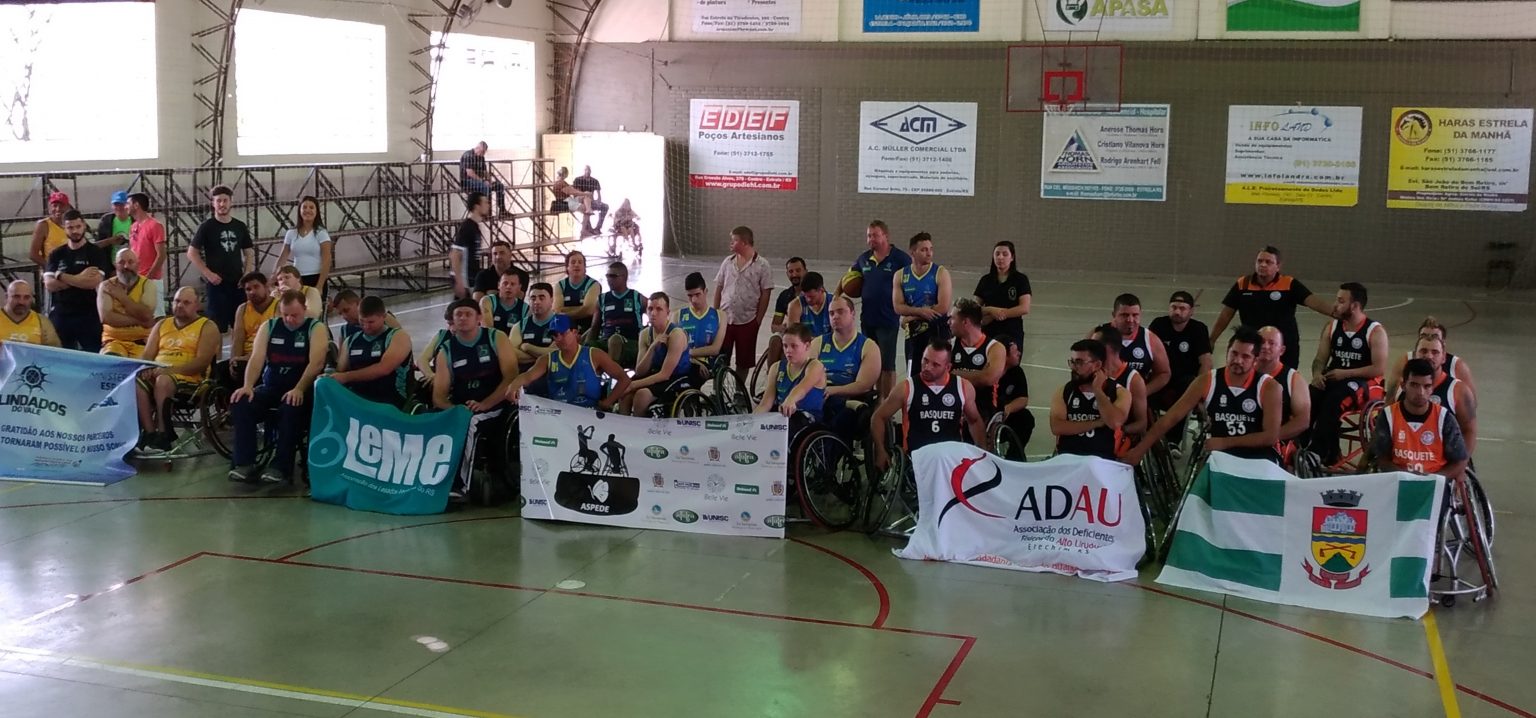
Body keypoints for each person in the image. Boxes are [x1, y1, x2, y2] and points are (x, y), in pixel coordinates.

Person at [1123, 327, 1282, 466]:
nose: (1237, 360)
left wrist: (1226, 442)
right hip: (1220, 457)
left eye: (1245, 356)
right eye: (1234, 353)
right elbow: (1171, 418)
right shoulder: (1207, 381)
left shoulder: (1269, 387)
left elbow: (1270, 436)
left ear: (1255, 360)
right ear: (1227, 351)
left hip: (1258, 457)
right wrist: (1140, 450)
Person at [230, 289, 329, 484]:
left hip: (301, 389)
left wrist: (299, 388)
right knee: (241, 401)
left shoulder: (315, 328)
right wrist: (248, 385)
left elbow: (316, 363)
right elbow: (257, 358)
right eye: (285, 315)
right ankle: (245, 463)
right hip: (272, 387)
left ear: (304, 309)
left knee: (290, 407)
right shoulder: (269, 326)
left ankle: (281, 467)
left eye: (294, 315)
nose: (289, 319)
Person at [432, 298, 519, 499]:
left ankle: (460, 485)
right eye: (458, 315)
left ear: (478, 317)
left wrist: (485, 404)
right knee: (439, 419)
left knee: (470, 423)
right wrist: (455, 410)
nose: (463, 318)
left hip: (496, 404)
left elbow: (511, 377)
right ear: (452, 320)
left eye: (468, 314)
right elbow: (438, 396)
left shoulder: (496, 338)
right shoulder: (446, 350)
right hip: (461, 407)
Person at [870, 339, 987, 473]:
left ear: (948, 367)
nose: (927, 367)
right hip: (917, 460)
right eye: (925, 360)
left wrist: (982, 453)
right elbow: (878, 417)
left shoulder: (963, 387)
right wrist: (880, 450)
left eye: (935, 365)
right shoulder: (906, 388)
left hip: (951, 459)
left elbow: (974, 421)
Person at [1208, 245, 1335, 369]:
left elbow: (1314, 302)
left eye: (1268, 262)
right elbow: (1226, 315)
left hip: (1284, 345)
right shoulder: (1243, 284)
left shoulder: (1289, 283)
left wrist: (1336, 313)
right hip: (1253, 345)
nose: (1263, 265)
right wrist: (1212, 339)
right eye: (1259, 261)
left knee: (1283, 379)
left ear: (1278, 266)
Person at [1308, 282, 1389, 466]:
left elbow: (1378, 368)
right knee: (1309, 396)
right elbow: (1320, 359)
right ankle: (1301, 445)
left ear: (1354, 306)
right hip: (1336, 378)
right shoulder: (1332, 326)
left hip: (1366, 382)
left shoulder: (1375, 331)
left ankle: (1317, 452)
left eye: (1340, 301)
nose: (1335, 305)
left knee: (1334, 400)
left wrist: (1346, 373)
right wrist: (1317, 374)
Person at [136, 288, 220, 452]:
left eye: (186, 302)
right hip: (160, 374)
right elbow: (147, 355)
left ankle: (164, 434)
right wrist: (146, 367)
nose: (180, 305)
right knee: (137, 381)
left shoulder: (207, 326)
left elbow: (202, 363)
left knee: (163, 381)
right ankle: (149, 433)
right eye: (177, 301)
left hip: (192, 379)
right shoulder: (161, 324)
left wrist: (170, 371)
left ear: (197, 305)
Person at [506, 313, 630, 411]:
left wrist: (608, 402)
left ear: (575, 332)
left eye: (563, 333)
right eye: (555, 335)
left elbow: (624, 378)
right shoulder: (547, 359)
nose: (559, 338)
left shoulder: (594, 355)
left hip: (589, 413)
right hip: (560, 416)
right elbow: (527, 376)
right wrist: (513, 386)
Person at [1373, 358, 1469, 481]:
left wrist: (1432, 480)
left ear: (1432, 388)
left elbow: (1460, 461)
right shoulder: (1388, 415)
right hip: (1400, 483)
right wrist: (1407, 478)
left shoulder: (1444, 418)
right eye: (1414, 385)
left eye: (1426, 386)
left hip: (1434, 484)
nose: (1421, 392)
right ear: (1403, 386)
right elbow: (1382, 459)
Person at [846, 220, 911, 401]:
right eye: (869, 236)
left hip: (888, 319)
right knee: (871, 363)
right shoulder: (863, 259)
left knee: (887, 365)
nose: (871, 239)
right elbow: (848, 279)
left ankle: (887, 403)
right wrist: (837, 294)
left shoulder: (900, 259)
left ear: (886, 236)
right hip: (868, 320)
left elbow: (912, 283)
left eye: (875, 235)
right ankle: (876, 400)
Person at [187, 185, 255, 332]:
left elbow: (249, 252)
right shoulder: (207, 227)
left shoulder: (240, 226)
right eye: (218, 201)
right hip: (217, 284)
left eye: (225, 200)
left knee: (241, 325)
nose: (222, 204)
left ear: (231, 202)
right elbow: (192, 253)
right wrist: (208, 274)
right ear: (213, 203)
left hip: (238, 283)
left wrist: (247, 274)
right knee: (216, 327)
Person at [43, 210, 112, 352]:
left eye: (78, 226)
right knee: (61, 355)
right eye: (70, 227)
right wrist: (80, 278)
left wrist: (61, 276)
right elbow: (49, 284)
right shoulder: (56, 254)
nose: (75, 231)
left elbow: (93, 282)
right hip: (62, 313)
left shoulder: (95, 252)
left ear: (84, 226)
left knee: (93, 355)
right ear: (64, 228)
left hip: (89, 313)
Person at [1051, 339, 1131, 460]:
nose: (1073, 367)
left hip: (1103, 461)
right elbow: (1057, 427)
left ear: (1097, 365)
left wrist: (1097, 390)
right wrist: (1096, 423)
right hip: (1068, 458)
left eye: (1079, 362)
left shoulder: (1120, 392)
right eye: (1072, 362)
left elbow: (1114, 422)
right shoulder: (1064, 391)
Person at [1400, 335, 1477, 455]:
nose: (1429, 356)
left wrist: (1462, 461)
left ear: (1443, 358)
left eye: (1435, 352)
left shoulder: (1458, 390)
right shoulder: (1400, 386)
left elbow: (1469, 431)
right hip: (1405, 455)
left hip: (1443, 459)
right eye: (1423, 351)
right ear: (1415, 355)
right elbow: (1387, 421)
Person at [814, 295, 880, 436]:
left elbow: (863, 385)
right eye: (831, 313)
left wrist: (833, 391)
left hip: (848, 397)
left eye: (840, 311)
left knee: (843, 419)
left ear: (852, 313)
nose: (835, 317)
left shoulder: (868, 346)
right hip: (820, 395)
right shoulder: (818, 343)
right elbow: (805, 374)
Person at [712, 226, 773, 377]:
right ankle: (718, 387)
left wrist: (757, 320)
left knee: (744, 361)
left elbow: (765, 293)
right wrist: (715, 313)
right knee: (720, 357)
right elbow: (719, 287)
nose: (731, 243)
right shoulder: (727, 262)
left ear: (744, 243)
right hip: (726, 319)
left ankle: (739, 389)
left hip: (748, 320)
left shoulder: (762, 265)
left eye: (734, 240)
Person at [332, 296, 413, 408]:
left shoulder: (398, 337)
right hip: (357, 399)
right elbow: (339, 371)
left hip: (390, 401)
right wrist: (328, 376)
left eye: (371, 322)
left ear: (384, 317)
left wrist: (346, 377)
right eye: (362, 321)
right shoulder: (350, 341)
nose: (366, 326)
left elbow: (384, 368)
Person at [893, 232, 952, 379]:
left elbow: (943, 307)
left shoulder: (940, 273)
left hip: (937, 330)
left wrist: (911, 316)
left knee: (938, 374)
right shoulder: (901, 275)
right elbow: (898, 307)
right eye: (924, 250)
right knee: (914, 375)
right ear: (912, 252)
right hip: (913, 333)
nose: (929, 253)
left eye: (931, 249)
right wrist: (921, 312)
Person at [625, 293, 694, 416]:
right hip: (656, 374)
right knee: (624, 392)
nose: (653, 313)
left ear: (668, 312)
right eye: (650, 309)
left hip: (676, 377)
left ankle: (638, 426)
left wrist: (634, 384)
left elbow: (665, 375)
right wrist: (652, 348)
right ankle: (622, 425)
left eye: (659, 309)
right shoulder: (645, 334)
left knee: (641, 395)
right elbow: (640, 371)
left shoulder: (676, 334)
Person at [753, 323, 826, 436]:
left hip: (808, 421)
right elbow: (766, 404)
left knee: (784, 427)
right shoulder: (776, 367)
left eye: (794, 346)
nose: (788, 350)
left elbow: (802, 388)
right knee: (758, 428)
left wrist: (791, 399)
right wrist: (751, 421)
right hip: (782, 417)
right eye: (785, 346)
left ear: (807, 346)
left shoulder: (815, 366)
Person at [1148, 291, 1212, 410]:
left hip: (1186, 380)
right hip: (1161, 377)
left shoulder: (1199, 329)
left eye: (1182, 308)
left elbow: (1206, 362)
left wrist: (1201, 389)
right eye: (1174, 307)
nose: (1177, 312)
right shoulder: (1158, 325)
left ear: (1191, 311)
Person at [1386, 316, 1476, 398]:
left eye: (1435, 337)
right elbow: (1390, 395)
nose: (1429, 339)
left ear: (1443, 343)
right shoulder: (1405, 360)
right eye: (1424, 336)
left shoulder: (1457, 366)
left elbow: (1470, 401)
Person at [949, 298, 1006, 422]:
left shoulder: (995, 348)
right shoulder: (949, 345)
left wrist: (955, 374)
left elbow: (988, 378)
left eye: (952, 318)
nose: (949, 322)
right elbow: (939, 376)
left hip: (984, 410)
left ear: (965, 322)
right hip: (953, 407)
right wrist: (979, 375)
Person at [97, 248, 158, 358]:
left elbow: (146, 314)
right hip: (114, 341)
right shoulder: (106, 285)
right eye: (121, 262)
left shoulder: (148, 284)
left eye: (130, 262)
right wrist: (140, 321)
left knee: (143, 366)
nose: (126, 266)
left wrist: (121, 296)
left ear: (138, 264)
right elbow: (106, 318)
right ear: (115, 265)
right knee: (111, 362)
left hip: (142, 342)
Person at [1107, 294, 1171, 398]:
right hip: (1105, 397)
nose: (1130, 320)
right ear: (1114, 315)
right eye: (1124, 315)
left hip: (1137, 399)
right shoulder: (1099, 336)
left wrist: (1142, 393)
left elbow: (1164, 373)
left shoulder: (1150, 339)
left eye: (1135, 315)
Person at [1257, 326, 1312, 448]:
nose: (1265, 346)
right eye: (1261, 342)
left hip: (1277, 444)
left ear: (1281, 350)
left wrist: (1269, 438)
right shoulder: (1243, 373)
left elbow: (1303, 420)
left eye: (1271, 343)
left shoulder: (1293, 379)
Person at [972, 240, 1032, 347]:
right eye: (997, 254)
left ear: (1012, 257)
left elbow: (1024, 308)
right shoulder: (985, 280)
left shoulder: (1020, 279)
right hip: (988, 331)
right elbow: (974, 307)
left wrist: (1000, 314)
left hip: (1012, 331)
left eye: (1005, 254)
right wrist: (990, 310)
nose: (1000, 257)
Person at [1093, 324, 1150, 438]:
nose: (1089, 349)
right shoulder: (1091, 372)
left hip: (1116, 438)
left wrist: (1120, 432)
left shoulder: (1134, 380)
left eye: (1093, 345)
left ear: (1107, 348)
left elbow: (1141, 424)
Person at [273, 196, 332, 297]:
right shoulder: (291, 233)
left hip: (316, 277)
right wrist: (274, 277)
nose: (307, 210)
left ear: (317, 211)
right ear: (299, 210)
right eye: (304, 207)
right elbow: (283, 256)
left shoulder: (321, 233)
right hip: (296, 279)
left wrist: (320, 285)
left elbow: (327, 260)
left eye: (311, 207)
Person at [589, 262, 645, 368]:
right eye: (607, 276)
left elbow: (654, 312)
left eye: (613, 276)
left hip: (630, 343)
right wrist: (586, 347)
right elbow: (594, 327)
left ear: (624, 277)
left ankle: (612, 375)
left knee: (615, 340)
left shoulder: (636, 297)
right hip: (606, 341)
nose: (609, 279)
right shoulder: (602, 299)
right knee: (588, 347)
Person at [230, 272, 277, 380]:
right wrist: (234, 361)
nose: (252, 292)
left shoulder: (278, 306)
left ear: (266, 287)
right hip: (245, 358)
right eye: (248, 289)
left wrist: (249, 357)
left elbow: (274, 341)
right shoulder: (242, 309)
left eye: (256, 287)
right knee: (223, 370)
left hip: (268, 356)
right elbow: (238, 339)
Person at [993, 337, 1035, 453]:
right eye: (1015, 351)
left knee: (1026, 418)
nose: (1019, 353)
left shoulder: (1017, 372)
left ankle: (1014, 457)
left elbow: (1023, 399)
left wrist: (1008, 408)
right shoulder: (988, 371)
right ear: (1004, 355)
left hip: (1005, 415)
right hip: (986, 415)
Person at [677, 272, 725, 373]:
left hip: (706, 364)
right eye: (690, 296)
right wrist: (692, 360)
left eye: (697, 294)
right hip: (683, 362)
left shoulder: (720, 316)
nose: (694, 300)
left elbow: (715, 349)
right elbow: (675, 347)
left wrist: (687, 353)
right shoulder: (678, 315)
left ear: (705, 291)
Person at [125, 192, 166, 299]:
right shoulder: (133, 227)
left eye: (128, 203)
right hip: (135, 278)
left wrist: (148, 278)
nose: (125, 207)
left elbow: (161, 255)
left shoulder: (155, 225)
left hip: (151, 280)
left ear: (136, 205)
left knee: (154, 309)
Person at [511, 282, 560, 368]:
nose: (536, 302)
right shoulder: (520, 326)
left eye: (541, 298)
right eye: (533, 298)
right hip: (526, 373)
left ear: (551, 300)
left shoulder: (561, 323)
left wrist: (527, 347)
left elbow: (559, 353)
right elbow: (511, 354)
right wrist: (544, 354)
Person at [451, 192, 489, 300]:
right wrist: (459, 282)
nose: (488, 205)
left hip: (472, 278)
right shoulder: (467, 227)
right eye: (485, 202)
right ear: (477, 207)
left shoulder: (475, 226)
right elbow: (455, 254)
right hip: (465, 280)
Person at [0, 280, 60, 347]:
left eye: (26, 297)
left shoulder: (42, 322)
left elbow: (54, 350)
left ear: (31, 299)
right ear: (6, 297)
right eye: (16, 297)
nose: (21, 302)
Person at [330, 289, 402, 343]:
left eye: (346, 310)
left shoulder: (384, 318)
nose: (344, 316)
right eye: (340, 313)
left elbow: (402, 340)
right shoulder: (345, 331)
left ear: (359, 303)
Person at [557, 251, 601, 335]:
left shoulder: (593, 284)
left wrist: (564, 312)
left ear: (585, 267)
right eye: (573, 262)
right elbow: (557, 310)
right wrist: (581, 309)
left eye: (580, 262)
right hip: (566, 330)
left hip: (588, 329)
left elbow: (589, 310)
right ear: (567, 267)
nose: (576, 265)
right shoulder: (560, 285)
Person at [460, 141, 506, 215]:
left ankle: (502, 210)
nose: (483, 154)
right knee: (486, 187)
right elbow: (470, 173)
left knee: (499, 186)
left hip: (479, 181)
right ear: (478, 148)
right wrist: (483, 181)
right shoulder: (468, 155)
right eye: (482, 152)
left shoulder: (481, 157)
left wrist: (489, 180)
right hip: (467, 182)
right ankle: (486, 212)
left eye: (484, 152)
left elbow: (485, 172)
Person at [481, 270, 530, 336]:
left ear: (519, 288)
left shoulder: (525, 308)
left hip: (513, 341)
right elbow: (487, 330)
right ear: (498, 285)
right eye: (505, 283)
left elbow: (524, 334)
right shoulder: (487, 301)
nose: (508, 287)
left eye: (512, 284)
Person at [783, 272, 830, 339]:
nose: (808, 300)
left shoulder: (833, 303)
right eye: (805, 296)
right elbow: (793, 335)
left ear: (821, 290)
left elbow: (839, 335)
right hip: (805, 343)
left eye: (811, 296)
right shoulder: (795, 305)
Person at [29, 191, 71, 267]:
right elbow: (33, 255)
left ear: (67, 207)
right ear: (49, 207)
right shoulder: (43, 225)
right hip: (53, 269)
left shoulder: (72, 223)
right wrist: (51, 268)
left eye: (61, 206)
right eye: (55, 206)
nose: (58, 209)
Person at [772, 257, 808, 335]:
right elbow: (774, 326)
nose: (794, 274)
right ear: (787, 274)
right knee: (775, 340)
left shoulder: (815, 293)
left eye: (798, 270)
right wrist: (783, 327)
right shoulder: (784, 296)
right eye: (791, 271)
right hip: (793, 334)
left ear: (805, 271)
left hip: (814, 334)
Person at [572, 166, 610, 234]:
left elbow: (599, 196)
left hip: (591, 201)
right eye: (586, 170)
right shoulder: (578, 180)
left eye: (589, 170)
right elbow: (575, 194)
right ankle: (588, 229)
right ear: (584, 171)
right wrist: (584, 195)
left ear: (590, 171)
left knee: (605, 206)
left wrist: (597, 201)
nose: (587, 172)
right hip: (580, 202)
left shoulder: (595, 181)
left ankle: (598, 228)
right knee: (586, 208)